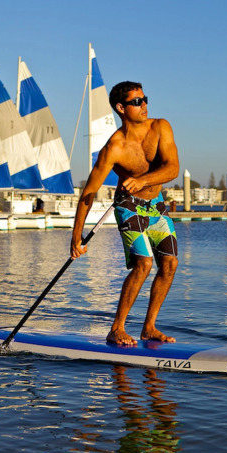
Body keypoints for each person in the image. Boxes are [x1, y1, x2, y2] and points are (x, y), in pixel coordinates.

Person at [70, 81, 179, 346]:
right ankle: (116, 328)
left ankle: (149, 328)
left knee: (170, 264)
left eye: (145, 99)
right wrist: (76, 236)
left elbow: (173, 168)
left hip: (156, 206)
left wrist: (143, 181)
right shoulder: (114, 148)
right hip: (128, 206)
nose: (144, 105)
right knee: (144, 264)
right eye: (137, 102)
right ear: (121, 108)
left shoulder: (161, 127)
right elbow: (88, 193)